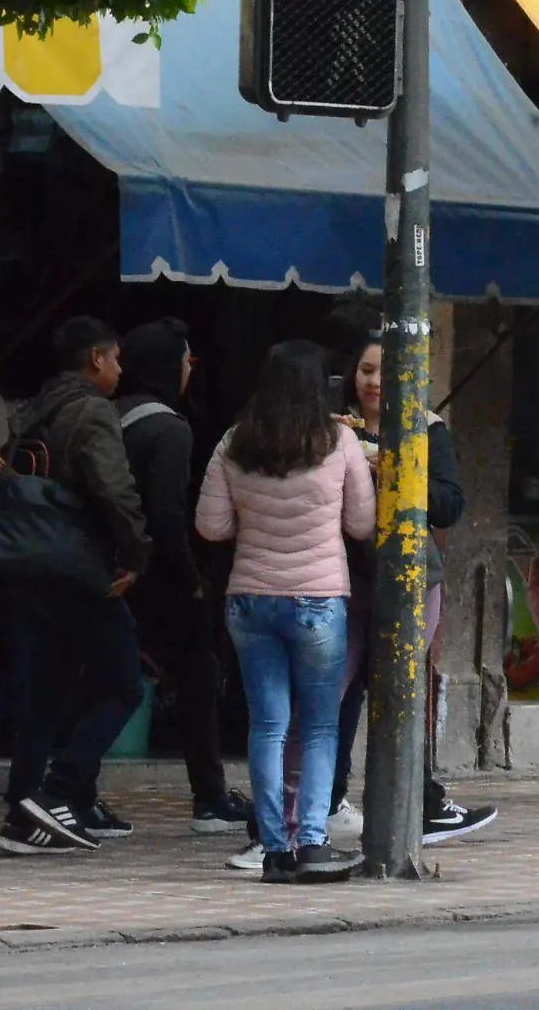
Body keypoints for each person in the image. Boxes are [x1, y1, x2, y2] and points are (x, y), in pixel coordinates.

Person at [197, 341, 372, 884]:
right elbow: (362, 524)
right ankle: (313, 842)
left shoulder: (234, 442)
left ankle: (273, 847)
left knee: (267, 725)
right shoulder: (339, 441)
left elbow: (211, 526)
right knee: (319, 727)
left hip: (249, 600)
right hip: (318, 600)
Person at [327, 337, 497, 846]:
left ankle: (419, 803)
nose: (375, 382)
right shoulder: (330, 425)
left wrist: (400, 474)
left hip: (409, 578)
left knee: (399, 688)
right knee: (334, 693)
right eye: (366, 369)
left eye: (387, 371)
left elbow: (449, 504)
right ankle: (328, 801)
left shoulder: (426, 427)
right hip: (336, 575)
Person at [0, 318, 152, 856]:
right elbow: (115, 490)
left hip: (26, 566)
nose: (119, 369)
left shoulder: (30, 412)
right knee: (124, 683)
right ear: (95, 360)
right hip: (79, 570)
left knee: (44, 694)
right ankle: (60, 790)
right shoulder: (93, 412)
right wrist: (135, 555)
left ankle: (23, 810)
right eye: (114, 359)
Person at [115, 318, 252, 835]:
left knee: (107, 676)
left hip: (110, 570)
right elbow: (167, 515)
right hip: (156, 575)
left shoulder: (113, 415)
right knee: (196, 672)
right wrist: (190, 579)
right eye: (187, 361)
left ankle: (65, 789)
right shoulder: (169, 429)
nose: (192, 370)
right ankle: (210, 796)